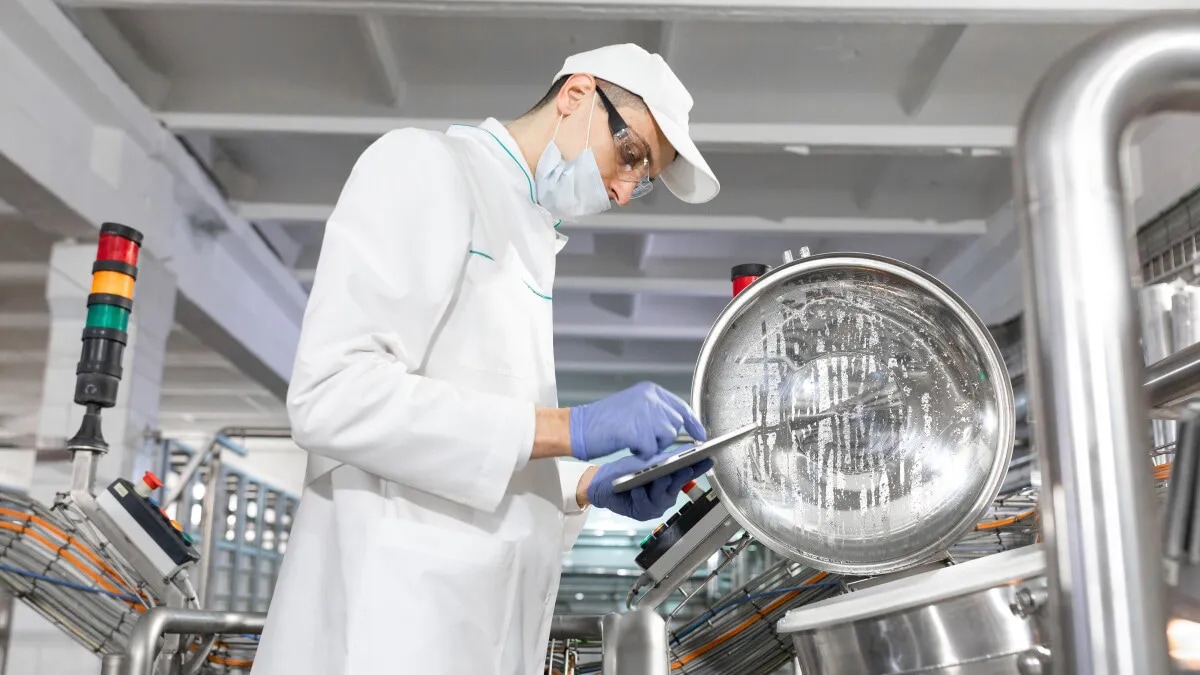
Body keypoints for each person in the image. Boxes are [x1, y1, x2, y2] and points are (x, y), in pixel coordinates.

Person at [250, 43, 721, 675]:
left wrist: (580, 484)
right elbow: (332, 397)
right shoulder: (426, 166)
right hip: (385, 632)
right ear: (576, 95)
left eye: (644, 180)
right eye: (630, 154)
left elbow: (469, 431)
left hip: (468, 634)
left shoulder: (526, 232)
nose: (623, 189)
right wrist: (571, 429)